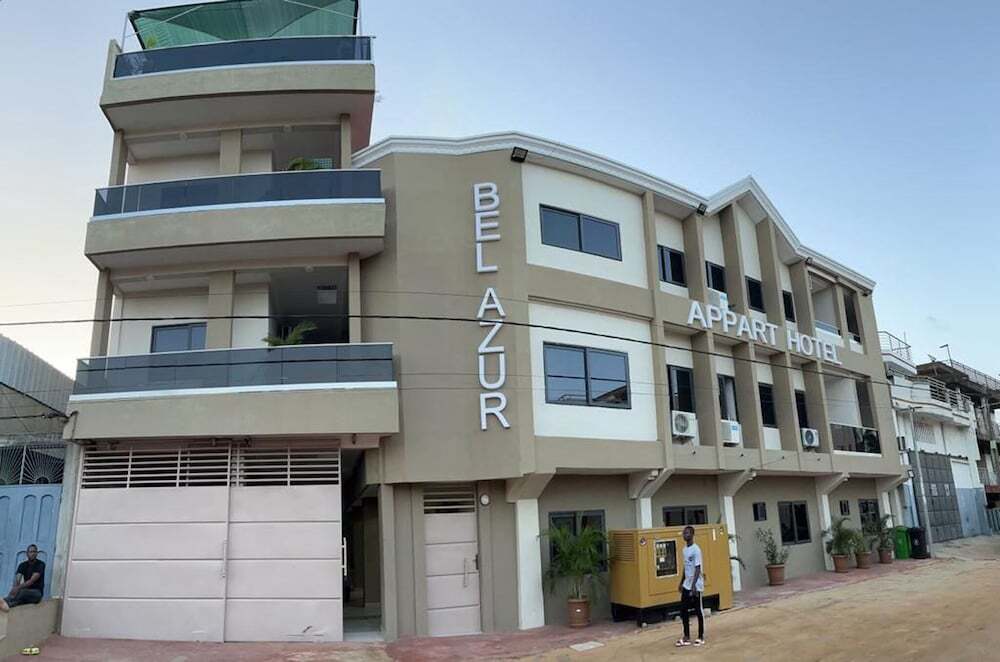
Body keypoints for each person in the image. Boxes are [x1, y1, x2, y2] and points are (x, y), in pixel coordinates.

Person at [675, 525, 705, 647]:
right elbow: (686, 567)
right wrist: (681, 582)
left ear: (692, 535)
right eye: (684, 533)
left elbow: (697, 568)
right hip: (686, 585)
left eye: (687, 533)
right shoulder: (684, 550)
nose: (684, 535)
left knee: (698, 610)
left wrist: (694, 586)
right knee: (683, 610)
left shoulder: (696, 550)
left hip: (696, 585)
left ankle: (700, 636)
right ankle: (686, 636)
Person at [0, 544, 45, 612]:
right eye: (31, 552)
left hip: (37, 593)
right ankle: (6, 604)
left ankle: (5, 603)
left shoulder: (40, 564)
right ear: (27, 553)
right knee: (18, 600)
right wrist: (14, 589)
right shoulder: (22, 565)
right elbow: (17, 579)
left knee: (22, 592)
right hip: (25, 594)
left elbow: (31, 581)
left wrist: (17, 588)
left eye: (34, 552)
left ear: (37, 553)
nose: (33, 554)